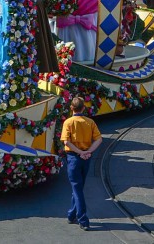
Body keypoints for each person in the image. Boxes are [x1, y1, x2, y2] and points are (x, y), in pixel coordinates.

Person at [61, 96, 102, 231]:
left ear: (71, 108)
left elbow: (66, 142)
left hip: (74, 157)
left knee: (77, 188)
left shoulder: (68, 122)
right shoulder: (90, 122)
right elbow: (98, 139)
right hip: (86, 158)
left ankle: (83, 219)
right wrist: (88, 151)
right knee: (78, 187)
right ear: (83, 108)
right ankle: (71, 214)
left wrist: (79, 152)